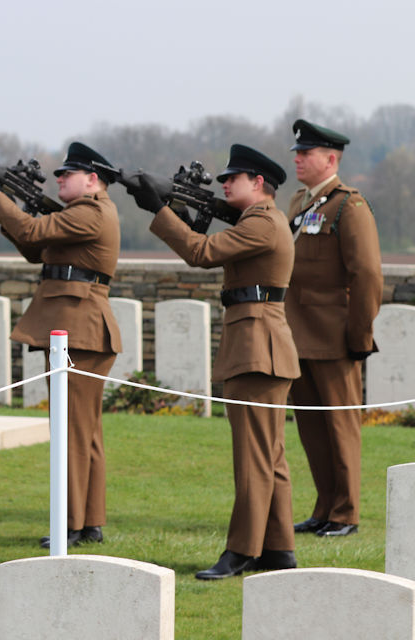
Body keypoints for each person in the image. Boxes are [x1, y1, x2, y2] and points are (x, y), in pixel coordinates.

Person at [127, 144, 300, 579]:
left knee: (253, 457)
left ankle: (241, 551)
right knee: (269, 455)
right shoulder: (259, 220)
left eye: (232, 179)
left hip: (257, 347)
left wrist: (159, 210)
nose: (224, 184)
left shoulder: (262, 222)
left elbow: (201, 253)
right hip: (257, 343)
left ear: (259, 183)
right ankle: (278, 548)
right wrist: (171, 203)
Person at [0, 141, 121, 548]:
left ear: (93, 179)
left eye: (68, 173)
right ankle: (88, 520)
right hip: (79, 325)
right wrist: (9, 202)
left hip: (80, 327)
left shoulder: (91, 211)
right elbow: (34, 248)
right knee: (85, 430)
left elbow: (31, 230)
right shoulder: (77, 214)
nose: (59, 178)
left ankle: (70, 523)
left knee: (71, 430)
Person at [286, 120, 383, 538]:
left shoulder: (349, 207)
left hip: (334, 337)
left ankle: (346, 512)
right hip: (298, 335)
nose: (297, 159)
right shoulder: (298, 203)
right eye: (297, 153)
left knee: (341, 428)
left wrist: (359, 337)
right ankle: (324, 507)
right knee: (311, 428)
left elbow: (367, 276)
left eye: (305, 153)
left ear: (330, 159)